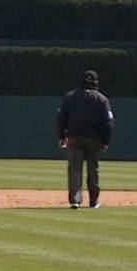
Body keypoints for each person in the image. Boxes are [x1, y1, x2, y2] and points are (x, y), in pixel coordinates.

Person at [56, 71, 114, 209]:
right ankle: (93, 202)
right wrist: (106, 141)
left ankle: (75, 200)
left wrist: (61, 136)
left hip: (74, 138)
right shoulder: (101, 99)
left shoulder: (70, 97)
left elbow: (61, 117)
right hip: (94, 139)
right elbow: (108, 122)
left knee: (75, 170)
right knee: (93, 170)